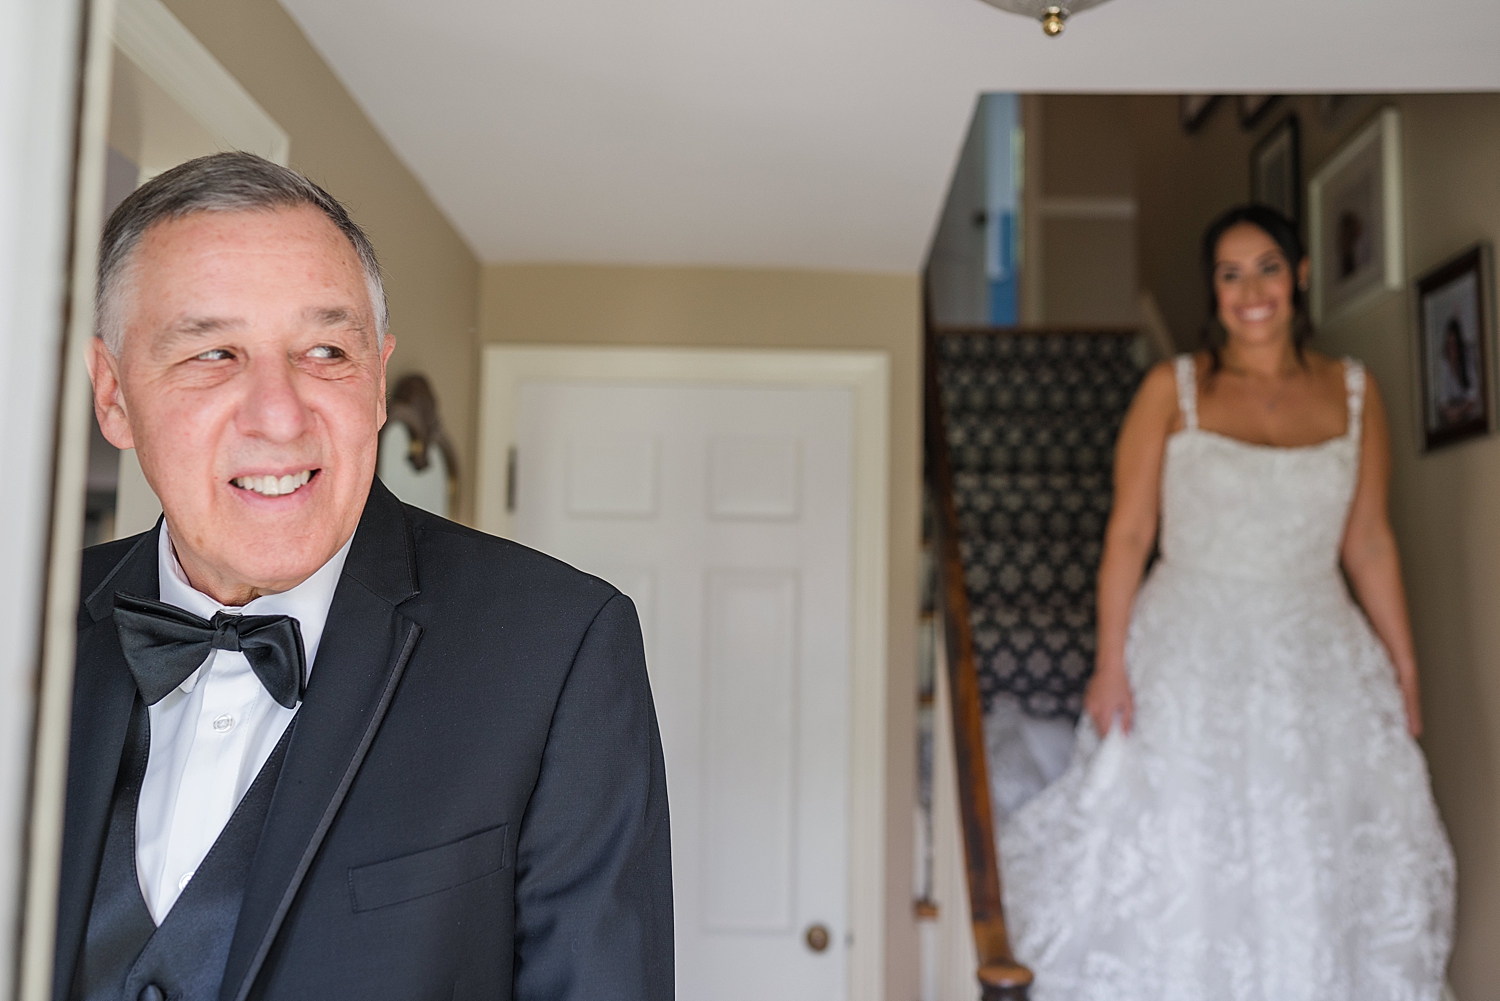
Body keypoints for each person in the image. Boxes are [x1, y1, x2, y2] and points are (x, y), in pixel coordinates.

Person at [57, 152, 673, 1001]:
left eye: (324, 350)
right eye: (212, 354)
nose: (278, 415)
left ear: (377, 381)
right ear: (114, 395)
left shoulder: (559, 646)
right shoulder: (27, 619)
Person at [998, 204, 1454, 999]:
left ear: (1301, 275)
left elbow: (1370, 540)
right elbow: (1129, 535)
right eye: (1230, 273)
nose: (1252, 290)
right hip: (1188, 645)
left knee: (1312, 842)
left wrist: (1404, 667)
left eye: (1269, 267)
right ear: (1212, 291)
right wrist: (1110, 663)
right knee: (1187, 840)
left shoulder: (1354, 392)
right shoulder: (1169, 391)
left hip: (1316, 647)